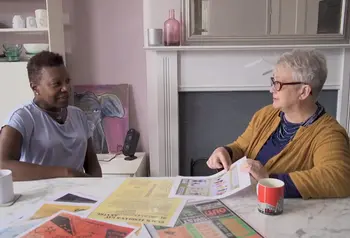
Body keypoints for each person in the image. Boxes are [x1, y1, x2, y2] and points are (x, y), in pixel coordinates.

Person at [207, 49, 350, 199]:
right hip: (248, 205)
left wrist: (269, 181)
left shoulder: (329, 133)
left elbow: (339, 176)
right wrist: (225, 151)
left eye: (278, 84)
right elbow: (241, 146)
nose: (271, 89)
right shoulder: (265, 114)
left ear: (303, 92)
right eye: (273, 82)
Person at [0, 51, 102, 181]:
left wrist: (97, 187)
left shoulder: (78, 115)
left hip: (79, 195)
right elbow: (3, 166)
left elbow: (92, 164)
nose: (66, 88)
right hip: (39, 197)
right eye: (57, 84)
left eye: (67, 81)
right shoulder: (21, 118)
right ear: (35, 88)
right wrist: (65, 173)